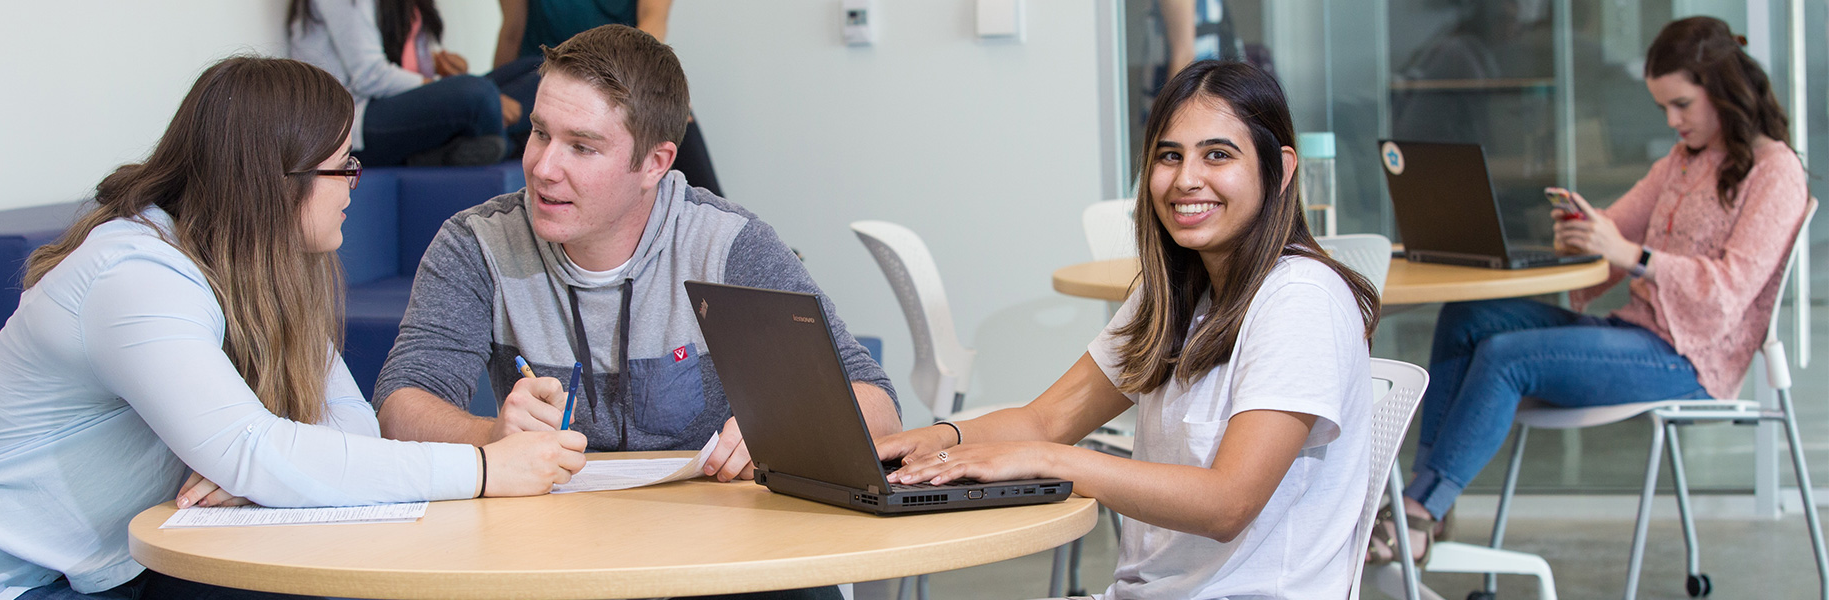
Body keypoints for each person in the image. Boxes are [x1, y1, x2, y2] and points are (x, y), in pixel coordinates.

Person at [0, 56, 588, 600]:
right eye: (343, 164)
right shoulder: (135, 273)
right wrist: (481, 467)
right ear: (274, 181)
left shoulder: (269, 270)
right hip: (7, 582)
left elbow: (348, 429)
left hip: (109, 567)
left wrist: (255, 468)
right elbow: (257, 448)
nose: (357, 181)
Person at [371, 25, 896, 597]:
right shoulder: (475, 244)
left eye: (582, 146)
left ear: (655, 163)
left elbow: (875, 400)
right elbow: (401, 405)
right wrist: (491, 433)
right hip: (557, 558)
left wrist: (786, 428)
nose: (544, 167)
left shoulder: (726, 244)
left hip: (723, 558)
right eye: (539, 133)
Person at [877, 60, 1380, 599]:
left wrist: (1048, 461)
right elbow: (1046, 420)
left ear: (1280, 170)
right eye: (1169, 155)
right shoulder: (1176, 294)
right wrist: (931, 440)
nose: (1186, 178)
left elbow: (1227, 503)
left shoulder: (1302, 298)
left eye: (1217, 154)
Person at [1377, 16, 1810, 566]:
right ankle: (1426, 500)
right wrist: (1586, 227)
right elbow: (1617, 225)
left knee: (1509, 357)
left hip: (1692, 360)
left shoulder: (1775, 173)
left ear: (1722, 90)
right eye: (1663, 109)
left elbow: (1729, 293)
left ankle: (1419, 511)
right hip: (1637, 332)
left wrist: (1630, 255)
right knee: (1469, 316)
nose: (1673, 121)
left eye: (1681, 105)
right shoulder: (1683, 161)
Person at [488, 0, 724, 196]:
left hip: (617, 81)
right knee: (488, 103)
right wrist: (501, 94)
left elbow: (654, 20)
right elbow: (512, 32)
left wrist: (650, 91)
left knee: (677, 126)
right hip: (544, 79)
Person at [288, 0, 513, 166]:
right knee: (480, 94)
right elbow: (370, 76)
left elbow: (402, 63)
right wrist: (441, 85)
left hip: (381, 103)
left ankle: (479, 147)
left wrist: (438, 67)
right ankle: (509, 145)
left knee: (530, 72)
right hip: (352, 122)